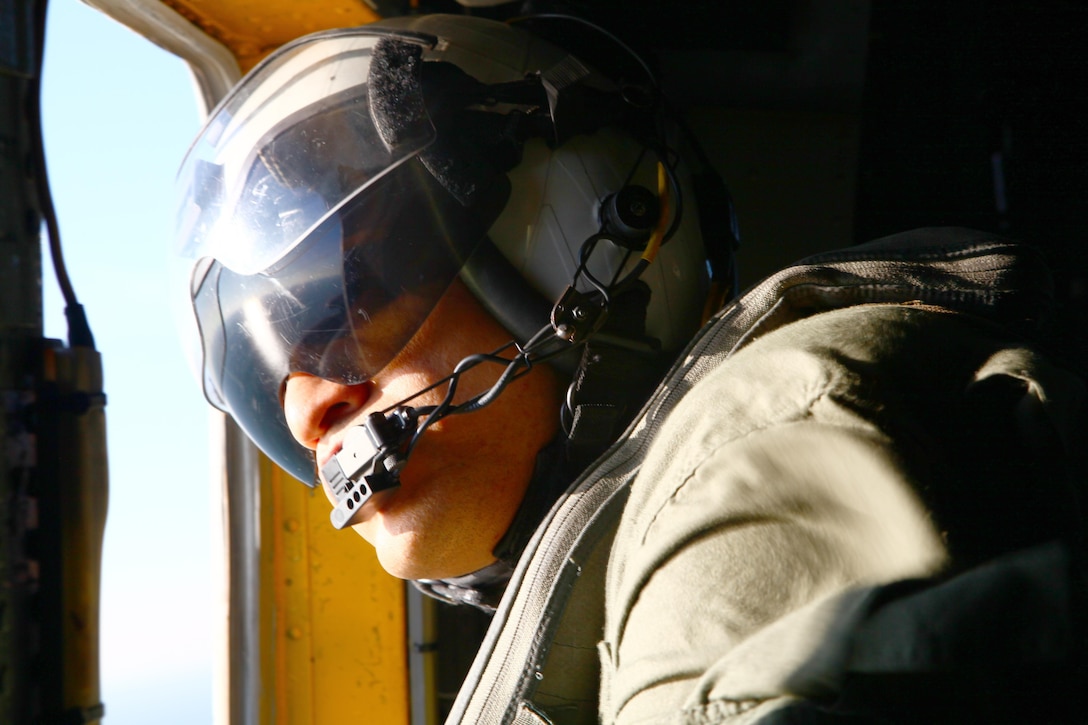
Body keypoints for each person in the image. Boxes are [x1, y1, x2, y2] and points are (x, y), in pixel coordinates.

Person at [173, 13, 1087, 724]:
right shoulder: (624, 556)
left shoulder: (750, 462)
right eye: (270, 375)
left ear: (577, 235)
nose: (304, 410)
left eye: (352, 302)